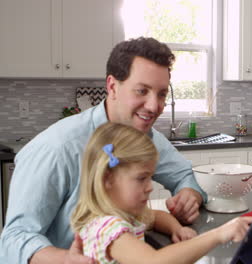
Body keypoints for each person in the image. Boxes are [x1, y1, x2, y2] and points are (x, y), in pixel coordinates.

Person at [0, 37, 207, 264]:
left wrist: (189, 195)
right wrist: (64, 259)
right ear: (112, 86)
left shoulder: (146, 137)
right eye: (141, 91)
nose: (154, 106)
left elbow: (184, 175)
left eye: (161, 94)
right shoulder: (57, 148)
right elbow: (14, 239)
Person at [71, 122, 252, 263]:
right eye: (141, 178)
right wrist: (218, 234)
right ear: (107, 179)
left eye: (150, 177)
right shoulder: (106, 227)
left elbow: (155, 216)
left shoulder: (124, 216)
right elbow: (154, 261)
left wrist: (177, 229)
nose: (150, 186)